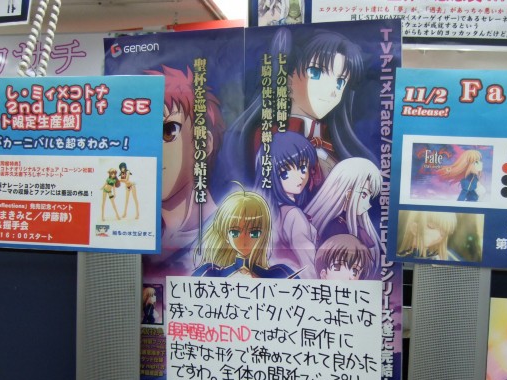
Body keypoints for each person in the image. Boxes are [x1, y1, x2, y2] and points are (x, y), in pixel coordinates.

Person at [216, 27, 373, 195]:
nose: (332, 90)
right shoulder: (269, 135)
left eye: (340, 82)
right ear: (288, 79)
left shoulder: (331, 141)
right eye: (316, 73)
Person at [145, 65, 226, 252]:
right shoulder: (140, 229)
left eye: (168, 132)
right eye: (143, 133)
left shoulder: (227, 232)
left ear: (203, 144)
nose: (152, 148)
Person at [193, 187, 297, 278]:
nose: (244, 240)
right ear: (225, 234)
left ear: (264, 234)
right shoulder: (208, 273)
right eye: (235, 233)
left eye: (254, 233)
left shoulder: (281, 273)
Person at [304, 157, 381, 278]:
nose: (368, 204)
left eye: (369, 196)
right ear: (348, 194)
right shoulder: (335, 228)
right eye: (364, 194)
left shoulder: (348, 225)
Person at [256, 131, 318, 278]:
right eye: (285, 173)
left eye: (303, 168)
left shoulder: (263, 210)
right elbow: (308, 264)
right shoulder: (293, 214)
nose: (301, 176)